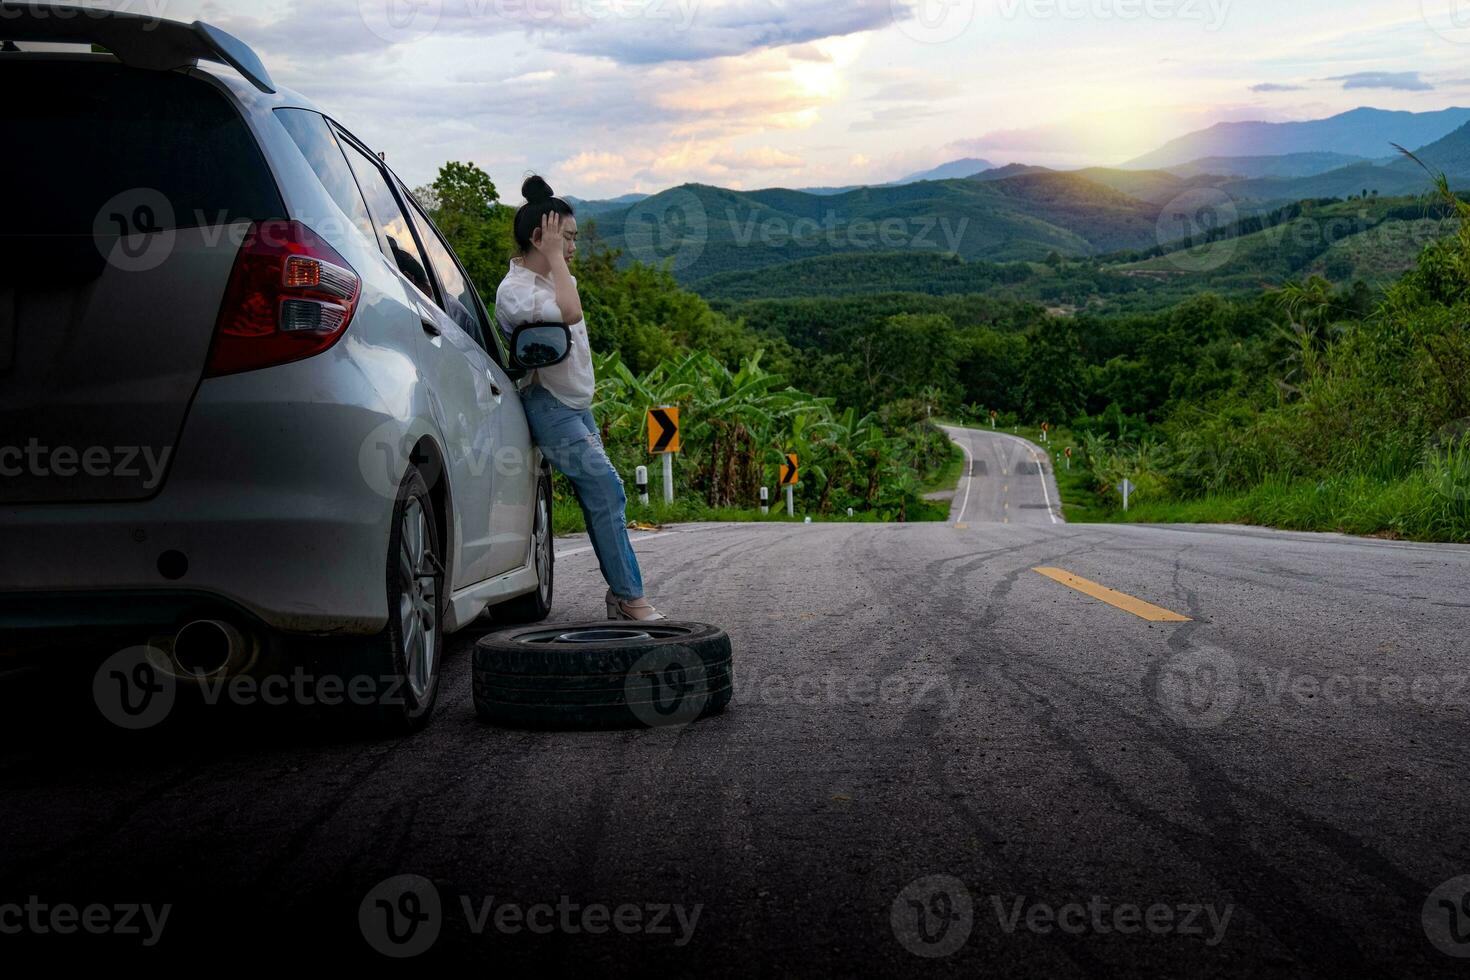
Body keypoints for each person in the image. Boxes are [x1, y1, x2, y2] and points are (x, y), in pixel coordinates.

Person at [495, 175, 666, 622]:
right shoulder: (516, 293)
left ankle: (622, 596)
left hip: (575, 407)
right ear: (540, 237)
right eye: (566, 238)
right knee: (606, 489)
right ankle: (630, 598)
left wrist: (555, 263)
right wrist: (555, 258)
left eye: (572, 239)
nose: (573, 248)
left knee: (606, 497)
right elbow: (570, 314)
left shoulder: (551, 280)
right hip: (549, 406)